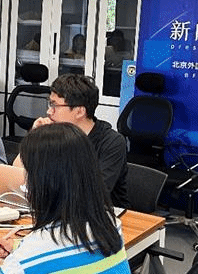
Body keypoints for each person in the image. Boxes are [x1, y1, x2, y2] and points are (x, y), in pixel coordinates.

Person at [0, 123, 141, 274]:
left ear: (41, 184)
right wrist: (20, 247)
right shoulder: (109, 223)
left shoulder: (30, 259)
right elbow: (70, 255)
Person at [18, 73, 129, 208]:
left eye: (54, 105)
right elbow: (17, 172)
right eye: (49, 104)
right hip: (59, 208)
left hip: (102, 213)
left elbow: (94, 193)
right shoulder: (55, 134)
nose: (49, 111)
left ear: (79, 111)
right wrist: (34, 136)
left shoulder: (112, 142)